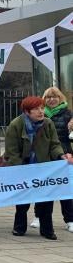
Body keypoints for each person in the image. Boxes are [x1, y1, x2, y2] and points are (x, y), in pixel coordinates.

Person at [6, 96, 73, 240]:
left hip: (44, 168)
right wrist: (20, 169)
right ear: (27, 111)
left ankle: (47, 230)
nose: (41, 111)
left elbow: (54, 144)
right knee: (23, 201)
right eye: (36, 109)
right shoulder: (15, 125)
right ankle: (19, 228)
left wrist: (61, 156)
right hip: (24, 168)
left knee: (46, 200)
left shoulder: (48, 123)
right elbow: (12, 152)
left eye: (42, 108)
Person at [41, 87, 73, 232]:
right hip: (45, 156)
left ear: (60, 98)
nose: (51, 100)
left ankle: (70, 219)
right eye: (48, 97)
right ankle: (38, 216)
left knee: (64, 188)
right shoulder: (40, 113)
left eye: (54, 97)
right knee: (43, 187)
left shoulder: (68, 114)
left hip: (63, 154)